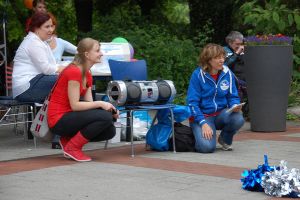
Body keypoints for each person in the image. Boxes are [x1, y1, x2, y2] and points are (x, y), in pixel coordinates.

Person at [48, 38, 118, 162]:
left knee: (110, 129)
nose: (101, 53)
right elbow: (75, 105)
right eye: (97, 51)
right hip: (58, 120)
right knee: (105, 117)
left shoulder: (87, 73)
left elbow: (89, 104)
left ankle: (67, 140)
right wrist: (101, 103)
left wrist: (110, 110)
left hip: (69, 116)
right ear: (87, 54)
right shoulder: (74, 71)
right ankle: (72, 148)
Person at [187, 43, 245, 153]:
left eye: (223, 57)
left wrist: (234, 105)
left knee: (238, 118)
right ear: (208, 60)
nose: (222, 60)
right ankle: (195, 133)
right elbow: (192, 103)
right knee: (207, 148)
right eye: (217, 58)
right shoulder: (197, 75)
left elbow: (232, 96)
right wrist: (203, 123)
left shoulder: (227, 72)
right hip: (202, 117)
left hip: (220, 114)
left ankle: (224, 139)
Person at [13, 12, 65, 103]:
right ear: (36, 28)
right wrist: (67, 69)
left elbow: (51, 66)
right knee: (70, 78)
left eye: (52, 26)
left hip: (31, 84)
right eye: (47, 27)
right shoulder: (33, 42)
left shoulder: (40, 41)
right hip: (27, 88)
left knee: (70, 78)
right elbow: (47, 69)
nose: (51, 30)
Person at [47, 13, 77, 149]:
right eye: (47, 26)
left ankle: (63, 134)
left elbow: (79, 51)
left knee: (74, 89)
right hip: (45, 78)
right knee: (69, 91)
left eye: (52, 25)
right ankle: (60, 135)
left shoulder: (60, 42)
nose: (50, 28)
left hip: (59, 77)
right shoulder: (39, 43)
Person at [224, 31, 248, 118]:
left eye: (241, 43)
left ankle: (248, 114)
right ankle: (236, 116)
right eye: (237, 44)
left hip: (245, 79)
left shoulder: (243, 50)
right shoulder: (224, 51)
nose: (240, 46)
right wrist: (237, 53)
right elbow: (225, 65)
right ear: (230, 42)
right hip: (232, 80)